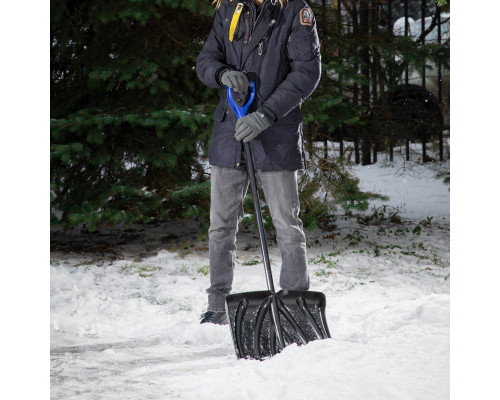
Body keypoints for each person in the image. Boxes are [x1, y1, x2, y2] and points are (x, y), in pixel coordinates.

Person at [196, 0, 321, 324]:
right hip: (230, 131)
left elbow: (307, 72)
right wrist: (222, 73)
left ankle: (295, 303)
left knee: (286, 225)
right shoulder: (229, 9)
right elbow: (205, 60)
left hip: (275, 135)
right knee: (220, 226)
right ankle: (217, 304)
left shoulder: (295, 11)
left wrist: (266, 114)